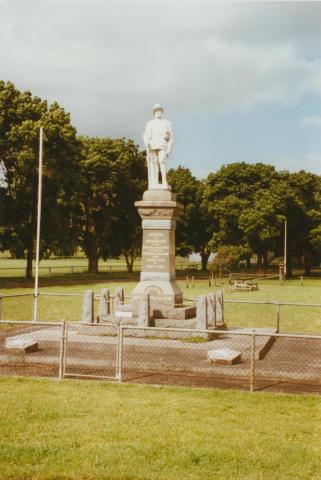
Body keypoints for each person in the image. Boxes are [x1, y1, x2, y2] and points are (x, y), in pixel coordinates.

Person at [143, 104, 173, 188]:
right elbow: (146, 135)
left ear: (162, 112)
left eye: (159, 110)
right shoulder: (150, 123)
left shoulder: (167, 123)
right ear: (154, 112)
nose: (158, 112)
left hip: (163, 145)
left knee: (162, 161)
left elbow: (171, 137)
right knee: (154, 163)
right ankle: (155, 181)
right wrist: (147, 141)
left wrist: (169, 149)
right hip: (152, 145)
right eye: (156, 111)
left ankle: (164, 180)